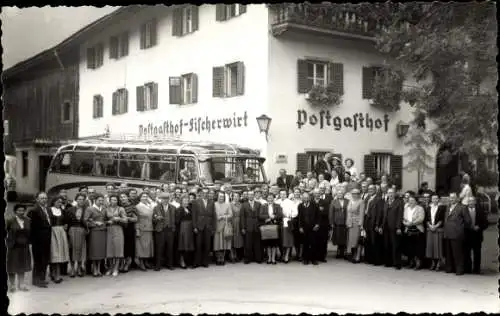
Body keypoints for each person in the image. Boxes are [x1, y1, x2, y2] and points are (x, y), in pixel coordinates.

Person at [443, 193, 472, 275]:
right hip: (448, 233)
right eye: (450, 198)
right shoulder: (448, 207)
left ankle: (459, 270)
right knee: (449, 253)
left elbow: (468, 221)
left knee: (458, 253)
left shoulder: (462, 207)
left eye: (453, 198)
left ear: (457, 199)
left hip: (457, 233)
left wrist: (460, 229)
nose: (451, 199)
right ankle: (449, 268)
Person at [28, 192, 52, 288]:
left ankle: (42, 278)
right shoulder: (34, 210)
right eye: (42, 198)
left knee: (45, 259)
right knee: (38, 260)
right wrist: (33, 240)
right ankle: (36, 280)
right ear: (37, 199)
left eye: (45, 198)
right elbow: (31, 227)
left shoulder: (46, 209)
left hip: (46, 238)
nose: (44, 200)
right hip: (38, 240)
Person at [6, 204, 32, 292]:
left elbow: (30, 232)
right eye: (19, 210)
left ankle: (21, 284)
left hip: (24, 247)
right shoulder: (10, 220)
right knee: (12, 266)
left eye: (23, 210)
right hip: (13, 247)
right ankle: (12, 285)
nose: (21, 212)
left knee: (23, 266)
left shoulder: (28, 220)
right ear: (15, 211)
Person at [153, 192, 178, 271]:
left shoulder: (173, 207)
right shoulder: (156, 207)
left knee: (170, 248)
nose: (165, 200)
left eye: (167, 199)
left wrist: (174, 227)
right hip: (160, 230)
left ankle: (170, 264)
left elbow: (176, 219)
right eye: (163, 199)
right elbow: (153, 219)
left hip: (170, 230)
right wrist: (157, 218)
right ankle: (158, 265)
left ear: (169, 199)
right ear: (161, 199)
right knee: (159, 248)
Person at [65, 193, 88, 277]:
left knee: (80, 249)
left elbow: (87, 221)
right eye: (79, 199)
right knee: (72, 249)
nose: (81, 201)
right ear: (76, 200)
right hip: (72, 230)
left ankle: (78, 268)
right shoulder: (70, 209)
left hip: (81, 230)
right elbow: (66, 222)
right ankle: (72, 268)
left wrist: (86, 229)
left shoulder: (86, 210)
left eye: (82, 199)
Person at [192, 188, 216, 268]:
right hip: (199, 226)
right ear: (201, 193)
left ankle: (205, 262)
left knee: (207, 245)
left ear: (209, 194)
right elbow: (194, 215)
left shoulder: (212, 202)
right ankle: (196, 262)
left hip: (208, 226)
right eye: (204, 193)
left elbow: (213, 216)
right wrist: (194, 226)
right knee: (198, 245)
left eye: (207, 193)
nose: (205, 194)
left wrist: (213, 227)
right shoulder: (196, 202)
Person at [84, 194, 107, 277]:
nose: (101, 202)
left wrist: (105, 223)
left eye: (102, 200)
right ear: (95, 200)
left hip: (103, 232)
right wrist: (95, 223)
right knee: (94, 251)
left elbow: (106, 219)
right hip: (94, 232)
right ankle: (95, 269)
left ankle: (99, 270)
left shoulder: (104, 208)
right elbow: (85, 221)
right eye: (99, 200)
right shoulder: (89, 209)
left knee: (101, 251)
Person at [464, 196, 488, 274]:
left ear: (475, 202)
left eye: (472, 201)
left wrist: (479, 227)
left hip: (477, 235)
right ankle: (468, 269)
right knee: (467, 253)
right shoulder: (464, 211)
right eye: (469, 201)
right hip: (467, 235)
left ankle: (476, 269)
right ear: (468, 202)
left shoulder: (480, 211)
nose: (471, 203)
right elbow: (460, 222)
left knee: (477, 253)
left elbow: (486, 223)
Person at [48, 196, 70, 283]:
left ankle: (56, 274)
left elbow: (66, 221)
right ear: (53, 202)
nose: (59, 203)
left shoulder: (62, 211)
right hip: (52, 232)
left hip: (61, 233)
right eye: (58, 202)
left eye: (61, 202)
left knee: (60, 253)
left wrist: (65, 225)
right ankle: (54, 274)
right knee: (54, 253)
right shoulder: (49, 210)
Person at [381, 188, 404, 269]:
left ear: (394, 194)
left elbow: (400, 216)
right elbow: (384, 216)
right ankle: (388, 262)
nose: (390, 194)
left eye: (392, 193)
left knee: (396, 245)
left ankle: (397, 263)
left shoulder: (399, 202)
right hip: (386, 227)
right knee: (387, 245)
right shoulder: (386, 202)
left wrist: (398, 227)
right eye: (389, 193)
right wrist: (382, 226)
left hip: (394, 227)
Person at [104, 195, 127, 276]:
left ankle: (116, 268)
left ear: (117, 201)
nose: (113, 201)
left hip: (118, 229)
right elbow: (103, 220)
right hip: (109, 230)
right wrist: (107, 222)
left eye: (115, 200)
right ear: (109, 201)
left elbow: (125, 220)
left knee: (118, 249)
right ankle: (110, 267)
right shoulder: (106, 209)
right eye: (112, 200)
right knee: (109, 249)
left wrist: (119, 219)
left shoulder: (121, 209)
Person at [403, 195, 425, 270]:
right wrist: (405, 223)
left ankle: (418, 263)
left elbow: (421, 219)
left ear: (416, 201)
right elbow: (403, 218)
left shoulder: (420, 208)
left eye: (412, 200)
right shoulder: (406, 208)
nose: (411, 202)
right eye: (409, 200)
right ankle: (411, 262)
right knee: (409, 247)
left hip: (417, 230)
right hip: (408, 230)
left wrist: (411, 223)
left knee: (418, 248)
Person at [424, 194, 446, 271]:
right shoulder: (428, 207)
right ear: (431, 199)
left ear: (438, 199)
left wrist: (436, 226)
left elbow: (442, 219)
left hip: (438, 229)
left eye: (436, 198)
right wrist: (430, 226)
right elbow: (426, 219)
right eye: (433, 198)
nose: (434, 200)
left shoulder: (442, 208)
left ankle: (439, 264)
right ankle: (433, 263)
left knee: (438, 247)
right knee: (431, 247)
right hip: (430, 229)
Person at [363, 185, 384, 265]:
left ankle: (377, 260)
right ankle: (369, 259)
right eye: (369, 189)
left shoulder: (379, 199)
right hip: (367, 223)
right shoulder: (367, 198)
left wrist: (377, 224)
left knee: (375, 242)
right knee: (368, 242)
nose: (370, 190)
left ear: (376, 190)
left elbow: (379, 213)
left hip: (374, 223)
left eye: (372, 189)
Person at [259, 193, 282, 264]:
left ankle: (273, 259)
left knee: (274, 243)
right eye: (269, 198)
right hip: (266, 227)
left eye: (271, 198)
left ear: (274, 198)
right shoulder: (263, 206)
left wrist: (274, 217)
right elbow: (260, 215)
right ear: (267, 199)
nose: (270, 199)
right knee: (268, 243)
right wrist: (268, 218)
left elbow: (280, 214)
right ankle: (269, 258)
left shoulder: (277, 206)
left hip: (274, 226)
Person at [298, 192, 320, 265]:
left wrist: (317, 224)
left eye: (307, 197)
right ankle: (306, 259)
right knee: (305, 244)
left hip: (313, 227)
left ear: (309, 198)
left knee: (314, 243)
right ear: (302, 198)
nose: (306, 199)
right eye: (304, 197)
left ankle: (314, 259)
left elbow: (318, 216)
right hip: (304, 228)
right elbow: (299, 218)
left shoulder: (314, 205)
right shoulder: (300, 206)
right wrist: (300, 227)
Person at [240, 190, 263, 264]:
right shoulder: (244, 205)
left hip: (257, 226)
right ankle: (247, 259)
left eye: (252, 194)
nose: (251, 196)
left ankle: (258, 258)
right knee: (248, 244)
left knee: (257, 243)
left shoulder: (258, 204)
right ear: (247, 196)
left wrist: (260, 225)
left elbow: (261, 216)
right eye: (249, 195)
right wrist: (243, 227)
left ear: (254, 195)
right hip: (248, 226)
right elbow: (242, 217)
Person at [135, 192, 155, 271]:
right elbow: (136, 219)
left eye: (146, 196)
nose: (145, 198)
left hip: (149, 228)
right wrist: (137, 229)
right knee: (141, 246)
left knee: (148, 246)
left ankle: (146, 262)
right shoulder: (137, 207)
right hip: (141, 229)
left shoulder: (149, 206)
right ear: (140, 198)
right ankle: (141, 263)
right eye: (143, 196)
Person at [119, 191, 137, 273]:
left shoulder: (132, 207)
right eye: (121, 197)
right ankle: (122, 263)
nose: (122, 198)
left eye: (124, 197)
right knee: (122, 246)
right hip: (120, 228)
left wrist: (126, 218)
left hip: (129, 228)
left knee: (129, 246)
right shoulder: (118, 206)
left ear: (127, 197)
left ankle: (127, 264)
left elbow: (136, 219)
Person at [345, 189, 365, 263]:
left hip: (357, 224)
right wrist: (347, 222)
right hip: (350, 224)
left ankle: (357, 257)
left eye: (356, 194)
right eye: (353, 193)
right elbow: (348, 213)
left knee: (357, 241)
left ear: (358, 194)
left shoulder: (361, 201)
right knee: (351, 241)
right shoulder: (350, 201)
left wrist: (361, 224)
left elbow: (362, 214)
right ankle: (353, 255)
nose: (354, 195)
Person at [213, 192, 233, 265]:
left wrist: (223, 217)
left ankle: (223, 258)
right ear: (217, 197)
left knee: (224, 244)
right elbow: (212, 214)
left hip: (225, 226)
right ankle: (218, 258)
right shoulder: (214, 204)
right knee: (217, 243)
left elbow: (231, 215)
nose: (221, 198)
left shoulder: (227, 205)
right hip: (217, 226)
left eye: (222, 197)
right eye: (220, 196)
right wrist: (217, 217)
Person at [329, 190, 349, 259]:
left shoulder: (348, 201)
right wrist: (331, 223)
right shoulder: (333, 201)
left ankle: (344, 253)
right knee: (338, 237)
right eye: (338, 193)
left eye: (341, 193)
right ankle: (338, 252)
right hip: (337, 222)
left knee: (345, 237)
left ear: (343, 194)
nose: (340, 194)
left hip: (346, 222)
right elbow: (331, 213)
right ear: (337, 194)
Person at [278, 190, 296, 263]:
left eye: (284, 194)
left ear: (286, 194)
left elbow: (295, 212)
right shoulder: (277, 201)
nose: (282, 195)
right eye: (281, 194)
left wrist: (289, 216)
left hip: (286, 222)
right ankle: (282, 254)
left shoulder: (290, 202)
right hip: (278, 222)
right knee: (281, 240)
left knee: (287, 240)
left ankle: (286, 256)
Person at [177, 196, 195, 269]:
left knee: (189, 244)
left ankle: (188, 260)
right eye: (184, 201)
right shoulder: (179, 209)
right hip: (183, 228)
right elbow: (177, 220)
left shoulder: (190, 208)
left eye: (187, 201)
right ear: (181, 201)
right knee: (183, 244)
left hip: (190, 228)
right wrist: (182, 209)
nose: (186, 202)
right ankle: (181, 261)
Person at [314, 189, 330, 262]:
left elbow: (327, 213)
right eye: (315, 193)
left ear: (320, 194)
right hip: (313, 225)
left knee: (323, 241)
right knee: (315, 241)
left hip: (323, 225)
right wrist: (319, 209)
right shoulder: (311, 201)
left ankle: (322, 257)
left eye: (318, 193)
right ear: (314, 194)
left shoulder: (325, 202)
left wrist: (321, 210)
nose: (317, 194)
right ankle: (315, 256)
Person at [230, 192, 244, 262]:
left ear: (239, 197)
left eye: (237, 196)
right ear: (232, 197)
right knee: (232, 239)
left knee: (239, 239)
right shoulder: (230, 205)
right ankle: (232, 256)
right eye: (234, 196)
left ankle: (238, 255)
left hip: (240, 223)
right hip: (232, 223)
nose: (236, 198)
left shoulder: (241, 205)